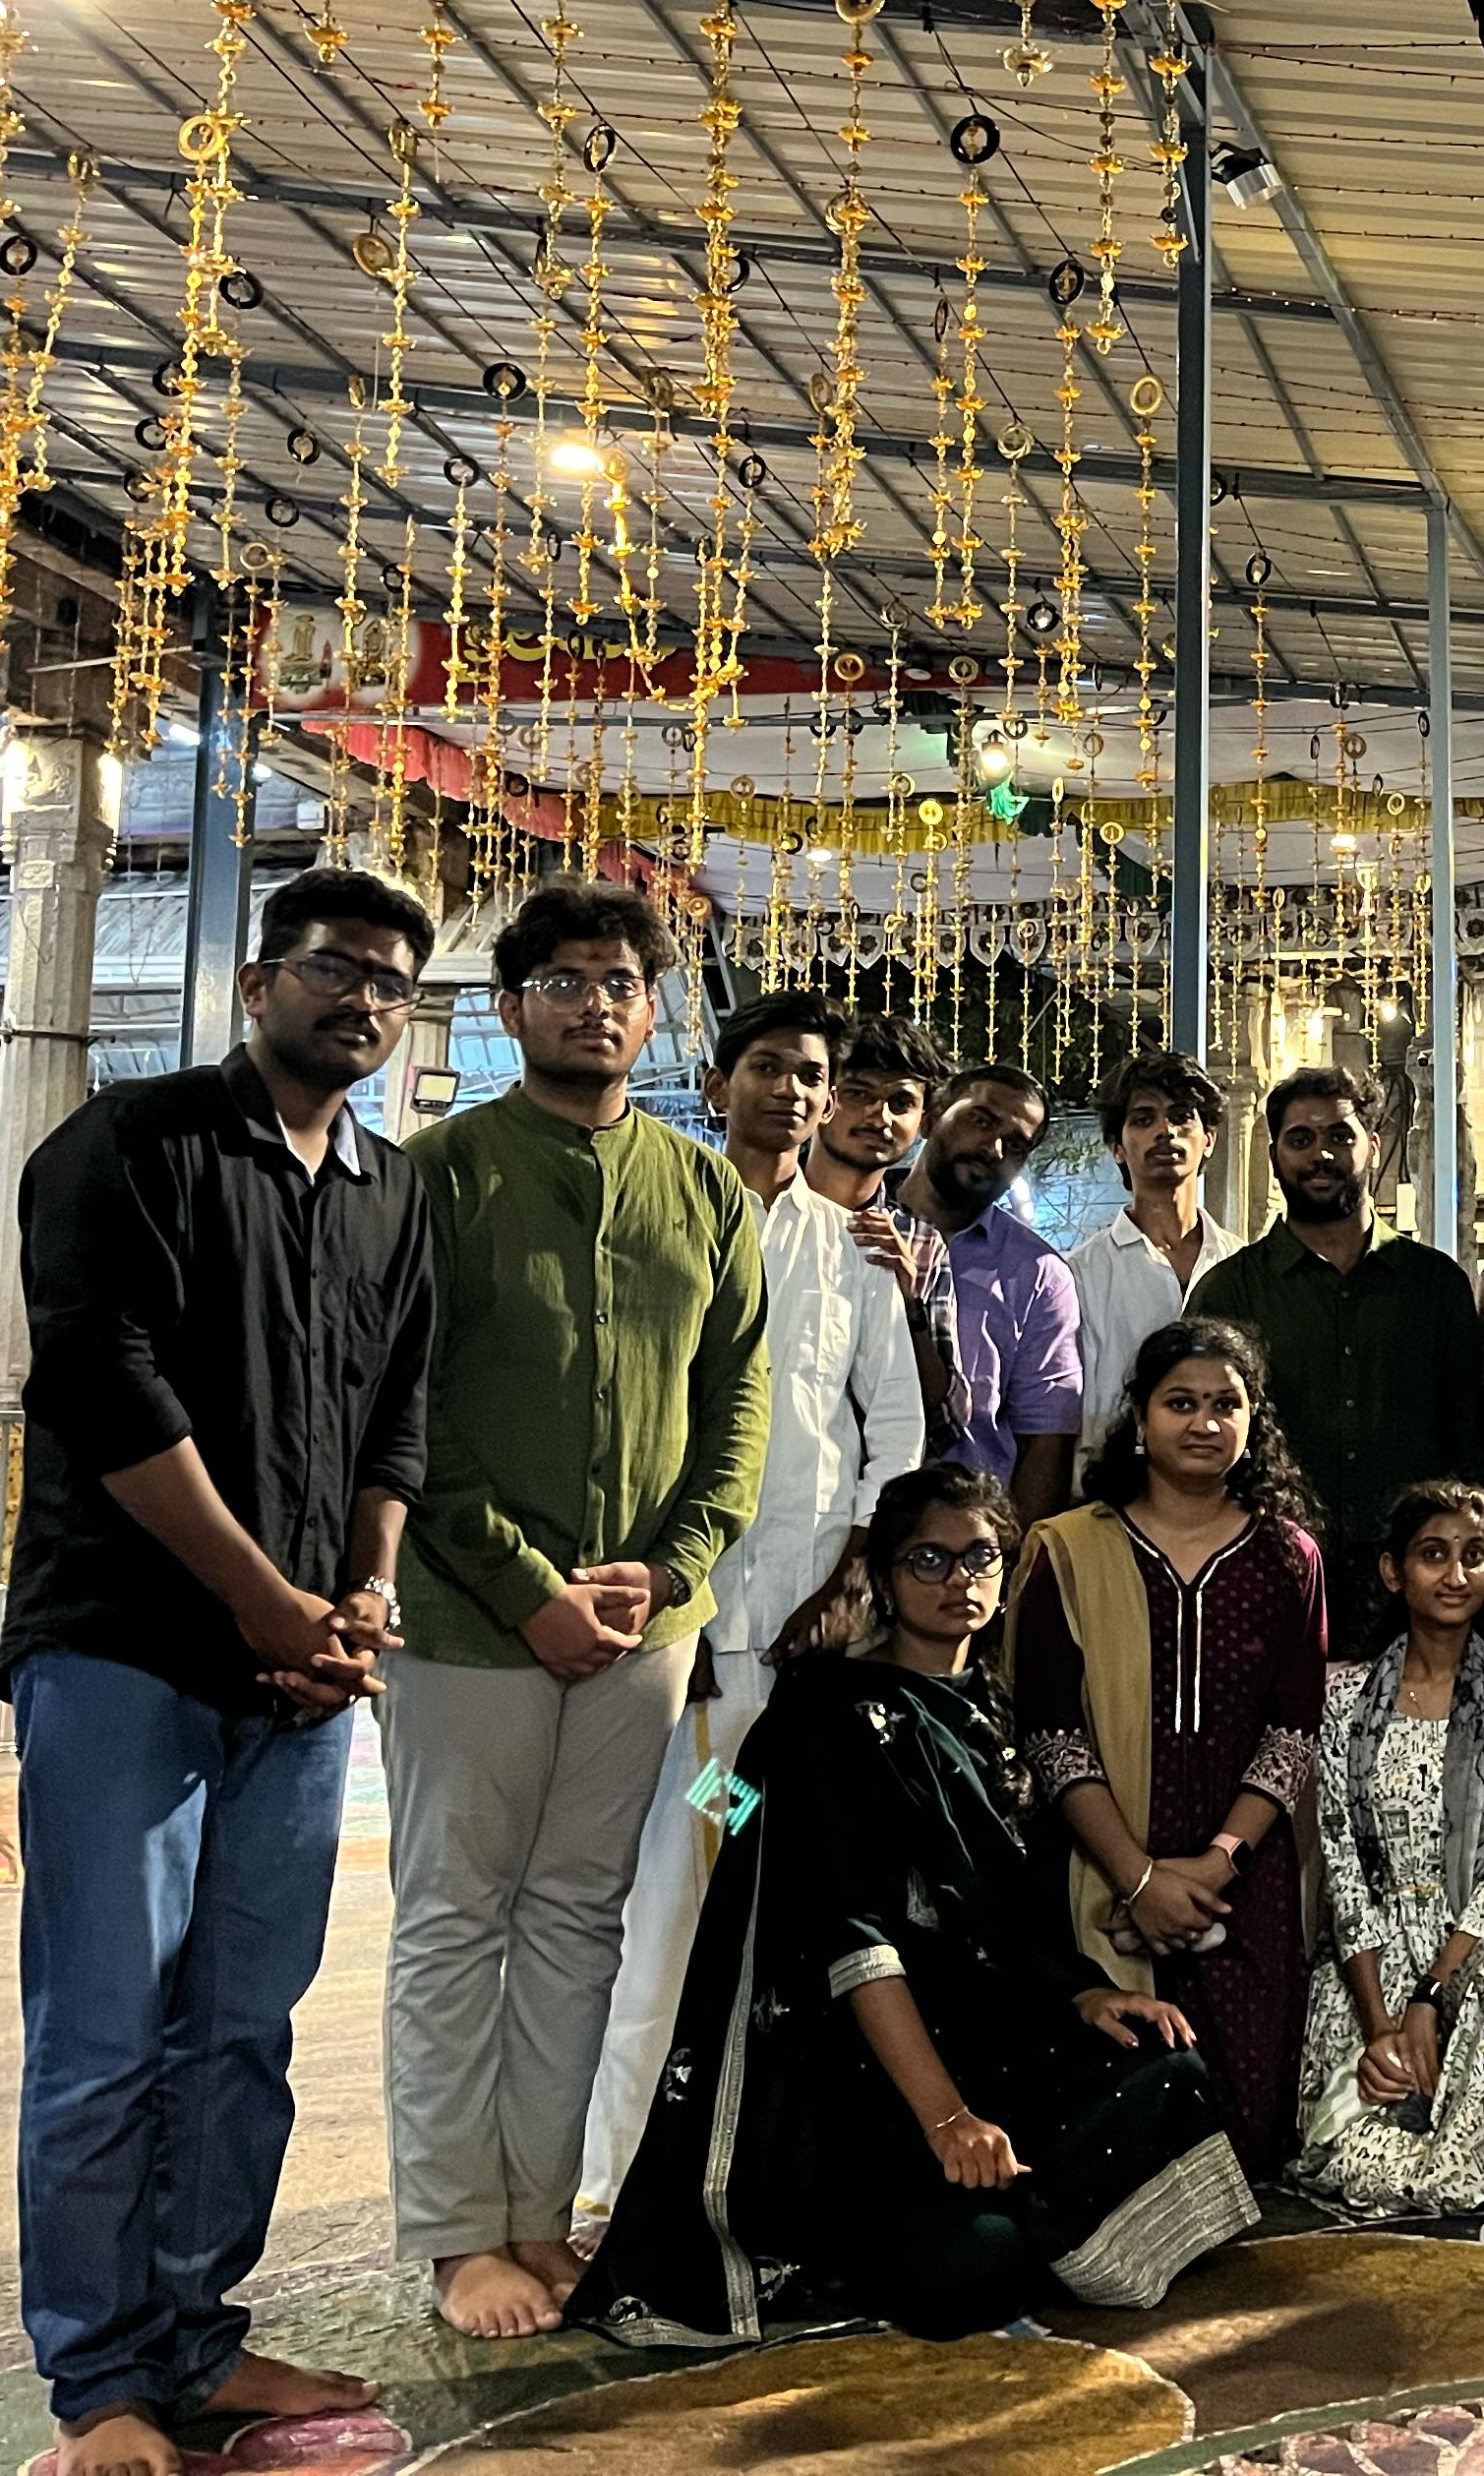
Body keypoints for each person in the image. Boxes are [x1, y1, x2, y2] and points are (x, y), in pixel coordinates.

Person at [0, 868, 439, 2476]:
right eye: (336, 966)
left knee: (243, 2027)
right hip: (125, 1649)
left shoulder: (390, 1191)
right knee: (106, 2028)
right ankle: (98, 2379)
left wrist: (360, 1600)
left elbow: (397, 1415)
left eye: (392, 981)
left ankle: (197, 2331)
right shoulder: (131, 1142)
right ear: (258, 983)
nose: (364, 998)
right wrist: (263, 1600)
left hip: (302, 1677)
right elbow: (101, 1382)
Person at [570, 1466, 1254, 2346]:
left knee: (1171, 2067)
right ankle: (979, 2210)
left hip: (995, 2028)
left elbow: (1008, 1910)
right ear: (885, 1578)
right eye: (929, 1559)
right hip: (867, 2061)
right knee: (965, 2272)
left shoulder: (992, 1712)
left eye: (980, 1558)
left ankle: (1008, 2204)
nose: (958, 1580)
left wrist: (1086, 1993)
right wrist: (947, 2119)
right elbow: (841, 1926)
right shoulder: (826, 1711)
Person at [389, 878, 767, 2340]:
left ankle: (540, 2219)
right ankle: (455, 2232)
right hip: (470, 1621)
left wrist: (671, 1569)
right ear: (508, 1008)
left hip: (645, 1630)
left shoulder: (704, 1191)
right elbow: (402, 1403)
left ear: (654, 1013)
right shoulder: (440, 1174)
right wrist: (526, 1584)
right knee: (454, 1919)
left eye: (620, 983)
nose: (595, 1005)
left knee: (577, 1920)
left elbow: (735, 1403)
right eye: (563, 981)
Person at [580, 990, 927, 2233]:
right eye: (767, 1067)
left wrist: (848, 1584)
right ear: (718, 1082)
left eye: (811, 1075)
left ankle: (774, 2179)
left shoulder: (855, 1251)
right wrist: (682, 1619)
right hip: (682, 1649)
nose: (792, 1092)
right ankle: (623, 2181)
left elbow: (896, 1432)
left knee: (796, 1903)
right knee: (667, 1896)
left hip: (804, 1650)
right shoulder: (662, 1212)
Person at [1015, 1316, 1330, 2175]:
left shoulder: (1288, 1558)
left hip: (1243, 1883)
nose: (1204, 1422)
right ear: (1140, 1417)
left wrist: (1215, 1866)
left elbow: (1293, 1730)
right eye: (1180, 1403)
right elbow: (1052, 1734)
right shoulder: (1072, 1550)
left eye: (1226, 1404)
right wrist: (1140, 1879)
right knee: (1124, 2146)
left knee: (1250, 2141)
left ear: (1253, 1420)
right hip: (1102, 1867)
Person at [1297, 1480, 1484, 2216]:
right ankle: (1445, 2167)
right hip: (1374, 1952)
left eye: (1474, 1556)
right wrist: (1381, 2023)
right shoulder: (1345, 1698)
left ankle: (1466, 2162)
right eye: (1433, 1555)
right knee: (1347, 2132)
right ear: (1394, 1571)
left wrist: (1432, 1995)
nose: (1455, 1575)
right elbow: (1342, 1867)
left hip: (1477, 1938)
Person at [1190, 1063, 1484, 1639]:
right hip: (1270, 1576)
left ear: (1372, 1146)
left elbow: (1469, 1441)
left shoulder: (1435, 1285)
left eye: (1339, 1136)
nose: (1321, 1155)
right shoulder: (1229, 1292)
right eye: (1301, 1139)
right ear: (1275, 1156)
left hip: (1416, 1587)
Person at [897, 1063, 1083, 1524]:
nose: (994, 1148)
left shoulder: (1037, 1274)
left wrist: (1016, 1556)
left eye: (1016, 1145)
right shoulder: (852, 1222)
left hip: (967, 1535)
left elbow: (1046, 1438)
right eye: (980, 1120)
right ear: (931, 1116)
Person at [1070, 1050, 1238, 1451]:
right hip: (1113, 1481)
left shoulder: (1241, 1265)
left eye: (1181, 1117)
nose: (1166, 1130)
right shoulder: (1079, 1276)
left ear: (1209, 1140)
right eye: (1144, 1119)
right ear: (1117, 1147)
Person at [805, 1017, 962, 1445]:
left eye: (901, 1102)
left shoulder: (920, 1243)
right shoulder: (761, 1210)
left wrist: (908, 1302)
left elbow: (943, 1415)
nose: (880, 1115)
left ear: (924, 1122)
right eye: (859, 1094)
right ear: (825, 1098)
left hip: (878, 1474)